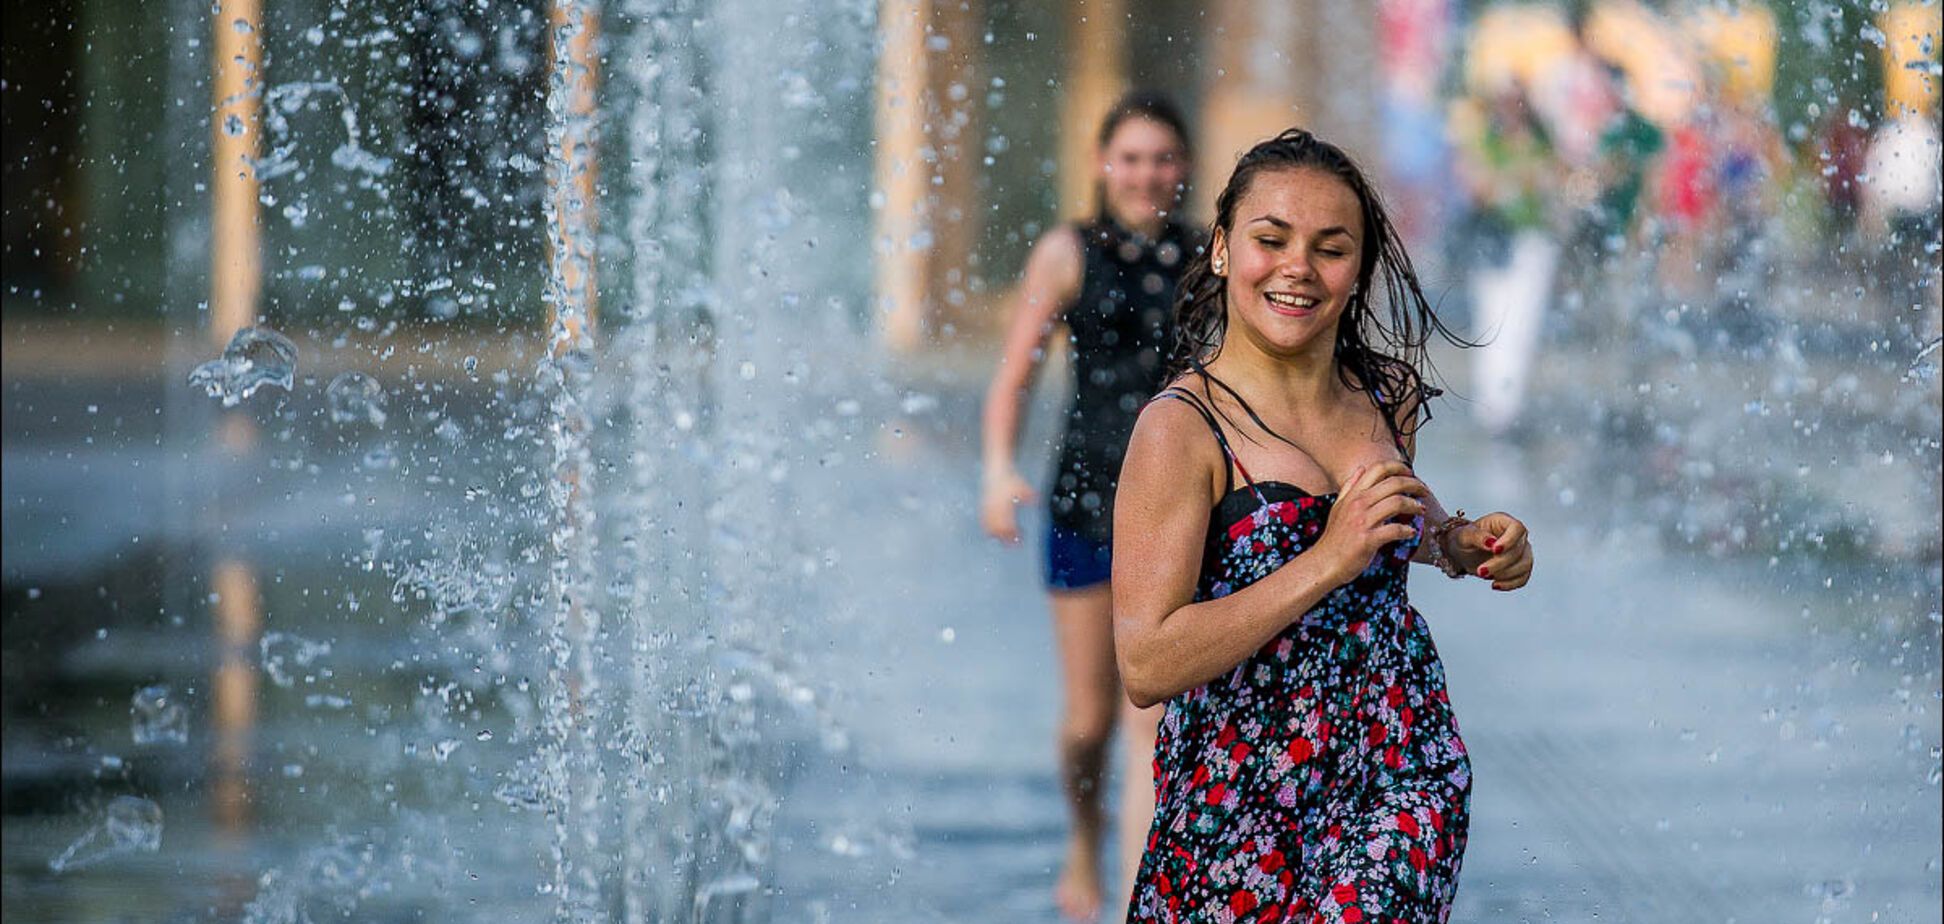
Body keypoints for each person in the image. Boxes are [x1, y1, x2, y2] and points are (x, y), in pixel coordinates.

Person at [1114, 128, 1535, 921]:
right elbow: (1146, 662)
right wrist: (1326, 559)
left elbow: (1400, 517)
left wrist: (1466, 542)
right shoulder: (1181, 429)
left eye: (1331, 249)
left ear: (1359, 267)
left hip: (1400, 774)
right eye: (1271, 240)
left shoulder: (1384, 395)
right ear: (1223, 250)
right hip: (1237, 802)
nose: (1298, 267)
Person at [979, 90, 1200, 920]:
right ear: (1105, 165)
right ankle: (1083, 835)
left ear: (1183, 167)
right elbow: (1014, 375)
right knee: (1087, 723)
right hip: (1082, 499)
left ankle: (1138, 902)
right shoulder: (1067, 253)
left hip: (1175, 508)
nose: (1147, 175)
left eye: (1163, 158)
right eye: (1132, 159)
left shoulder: (1208, 258)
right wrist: (996, 470)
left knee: (1151, 723)